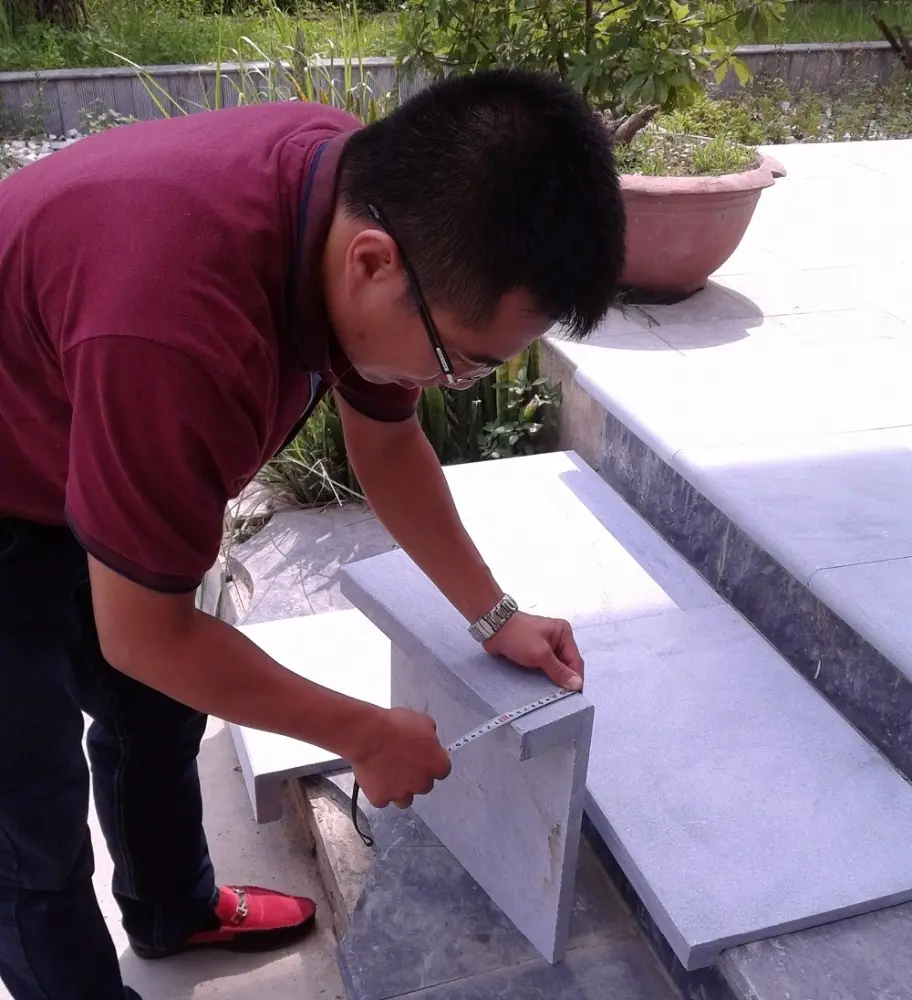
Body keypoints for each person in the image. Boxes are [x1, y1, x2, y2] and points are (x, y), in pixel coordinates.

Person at [0, 67, 625, 999]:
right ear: (374, 264)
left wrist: (493, 614)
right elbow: (145, 632)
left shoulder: (354, 197)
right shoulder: (175, 329)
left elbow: (389, 440)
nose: (457, 384)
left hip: (68, 420)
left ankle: (173, 907)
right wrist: (361, 732)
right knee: (27, 813)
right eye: (463, 362)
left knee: (157, 716)